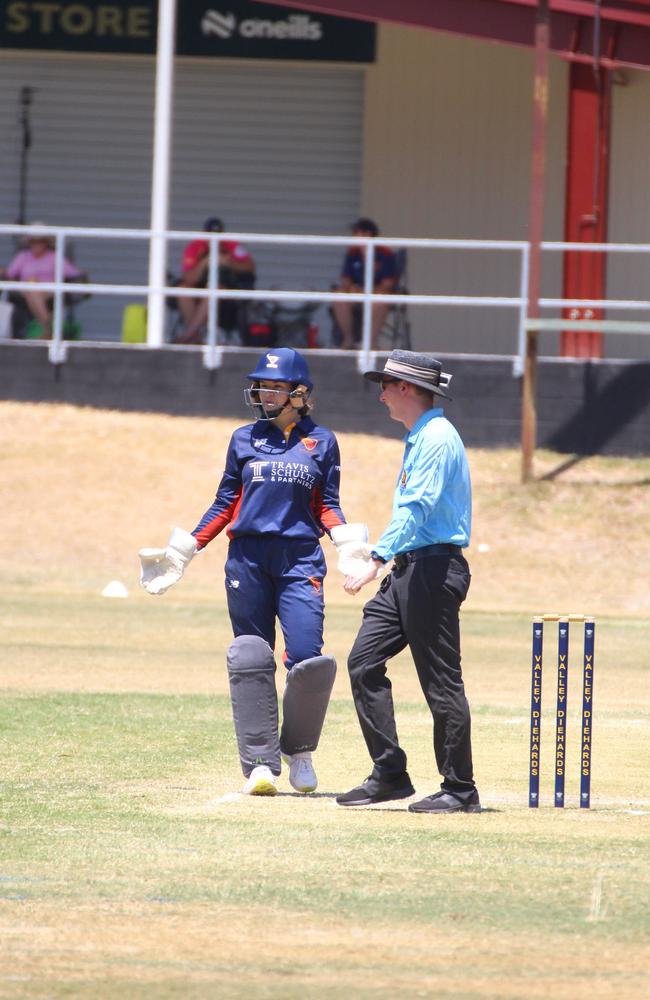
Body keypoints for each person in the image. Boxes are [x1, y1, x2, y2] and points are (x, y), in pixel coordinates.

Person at [139, 348, 363, 797]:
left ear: (298, 394)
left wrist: (349, 544)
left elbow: (326, 504)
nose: (263, 393)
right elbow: (226, 502)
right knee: (250, 655)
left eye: (274, 386)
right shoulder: (243, 439)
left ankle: (299, 752)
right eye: (261, 385)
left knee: (307, 658)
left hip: (300, 558)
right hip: (248, 559)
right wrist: (185, 551)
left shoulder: (322, 442)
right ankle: (260, 764)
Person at [335, 349, 481, 814]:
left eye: (386, 385)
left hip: (434, 570)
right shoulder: (420, 437)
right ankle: (390, 773)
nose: (380, 396)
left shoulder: (437, 438)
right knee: (362, 662)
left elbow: (417, 509)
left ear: (407, 389)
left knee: (441, 683)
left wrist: (375, 558)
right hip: (410, 569)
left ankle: (460, 789)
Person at [174, 217, 255, 344]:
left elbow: (249, 267)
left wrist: (229, 262)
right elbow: (189, 278)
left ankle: (188, 336)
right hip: (199, 286)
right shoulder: (195, 246)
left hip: (226, 288)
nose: (214, 239)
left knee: (213, 288)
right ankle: (195, 334)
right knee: (183, 289)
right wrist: (204, 263)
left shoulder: (232, 245)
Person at [1, 226, 83, 339]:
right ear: (29, 243)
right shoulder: (23, 256)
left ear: (46, 243)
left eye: (40, 241)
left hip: (49, 289)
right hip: (26, 289)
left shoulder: (53, 257)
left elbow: (74, 273)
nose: (36, 245)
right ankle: (48, 327)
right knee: (32, 291)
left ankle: (45, 328)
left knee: (34, 292)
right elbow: (9, 274)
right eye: (33, 242)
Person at [331, 217, 397, 350]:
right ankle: (348, 340)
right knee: (339, 296)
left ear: (368, 234)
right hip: (356, 293)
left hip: (377, 294)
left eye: (357, 233)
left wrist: (368, 291)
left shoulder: (385, 253)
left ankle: (370, 343)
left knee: (381, 300)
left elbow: (388, 284)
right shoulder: (353, 253)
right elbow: (345, 280)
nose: (354, 236)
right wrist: (352, 288)